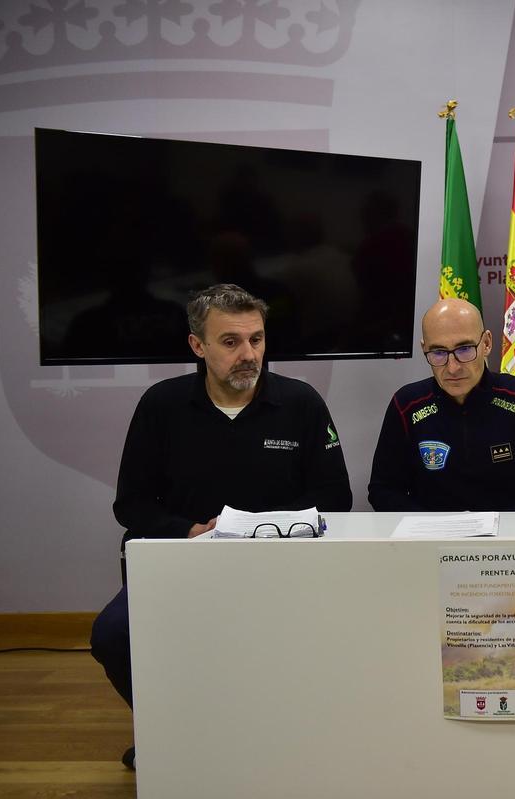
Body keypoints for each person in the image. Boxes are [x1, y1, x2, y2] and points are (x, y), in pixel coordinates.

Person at [90, 284, 352, 769]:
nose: (247, 354)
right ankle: (168, 729)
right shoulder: (161, 406)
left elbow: (336, 497)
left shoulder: (302, 403)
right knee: (111, 635)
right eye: (230, 342)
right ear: (198, 346)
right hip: (184, 563)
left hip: (278, 565)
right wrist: (190, 530)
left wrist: (265, 530)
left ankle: (277, 737)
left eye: (256, 339)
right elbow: (131, 504)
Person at [368, 298, 515, 511]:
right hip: (432, 541)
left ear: (487, 343)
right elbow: (383, 491)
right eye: (438, 353)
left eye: (464, 349)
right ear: (424, 349)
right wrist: (434, 528)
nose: (452, 367)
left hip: (512, 541)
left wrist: (502, 527)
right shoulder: (406, 404)